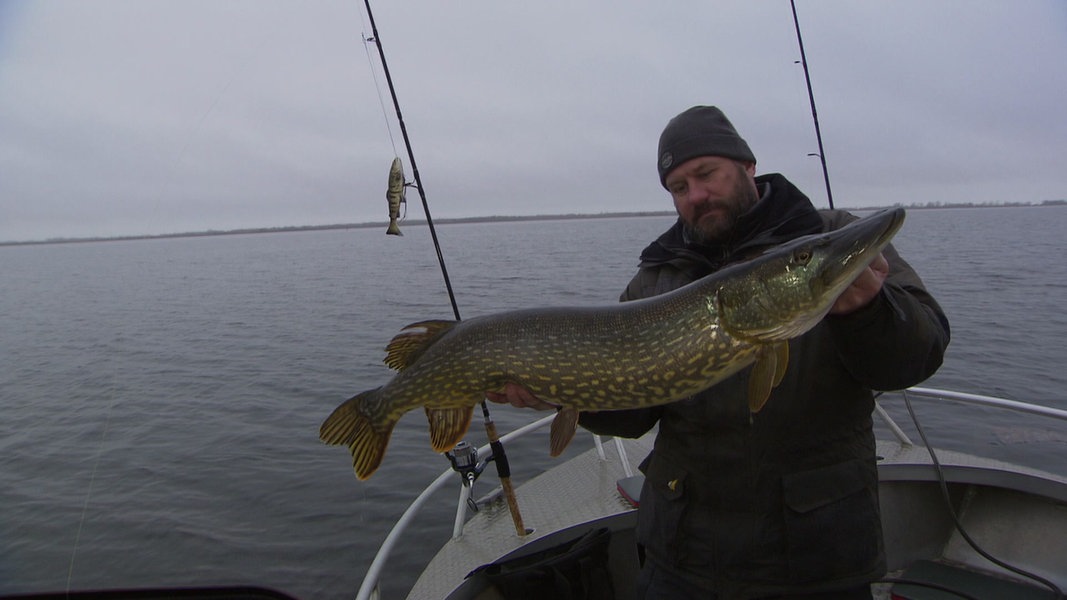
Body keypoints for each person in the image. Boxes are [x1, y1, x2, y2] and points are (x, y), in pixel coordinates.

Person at [488, 105, 951, 599]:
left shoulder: (825, 236)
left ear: (747, 166)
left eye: (706, 174)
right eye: (679, 188)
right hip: (684, 555)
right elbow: (634, 413)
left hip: (816, 558)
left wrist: (867, 311)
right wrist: (562, 393)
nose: (696, 196)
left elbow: (917, 356)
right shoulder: (657, 277)